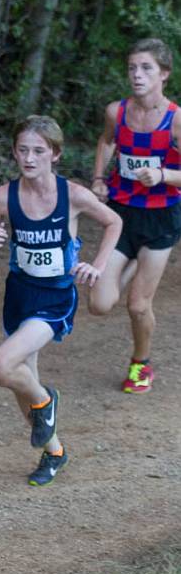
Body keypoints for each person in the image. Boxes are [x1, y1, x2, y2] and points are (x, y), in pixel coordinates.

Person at [0, 116, 121, 486]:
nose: (30, 158)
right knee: (24, 385)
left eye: (39, 151)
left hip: (54, 299)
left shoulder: (74, 195)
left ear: (55, 154)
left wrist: (97, 267)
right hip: (19, 295)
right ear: (14, 153)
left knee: (1, 366)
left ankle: (47, 399)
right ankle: (54, 452)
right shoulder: (4, 197)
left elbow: (114, 222)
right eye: (23, 150)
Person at [88, 37, 181, 393]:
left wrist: (164, 175)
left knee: (138, 305)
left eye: (146, 68)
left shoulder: (175, 120)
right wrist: (99, 177)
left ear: (164, 74)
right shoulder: (117, 111)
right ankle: (128, 264)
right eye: (132, 68)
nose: (137, 75)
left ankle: (141, 364)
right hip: (122, 215)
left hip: (160, 218)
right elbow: (107, 141)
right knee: (99, 304)